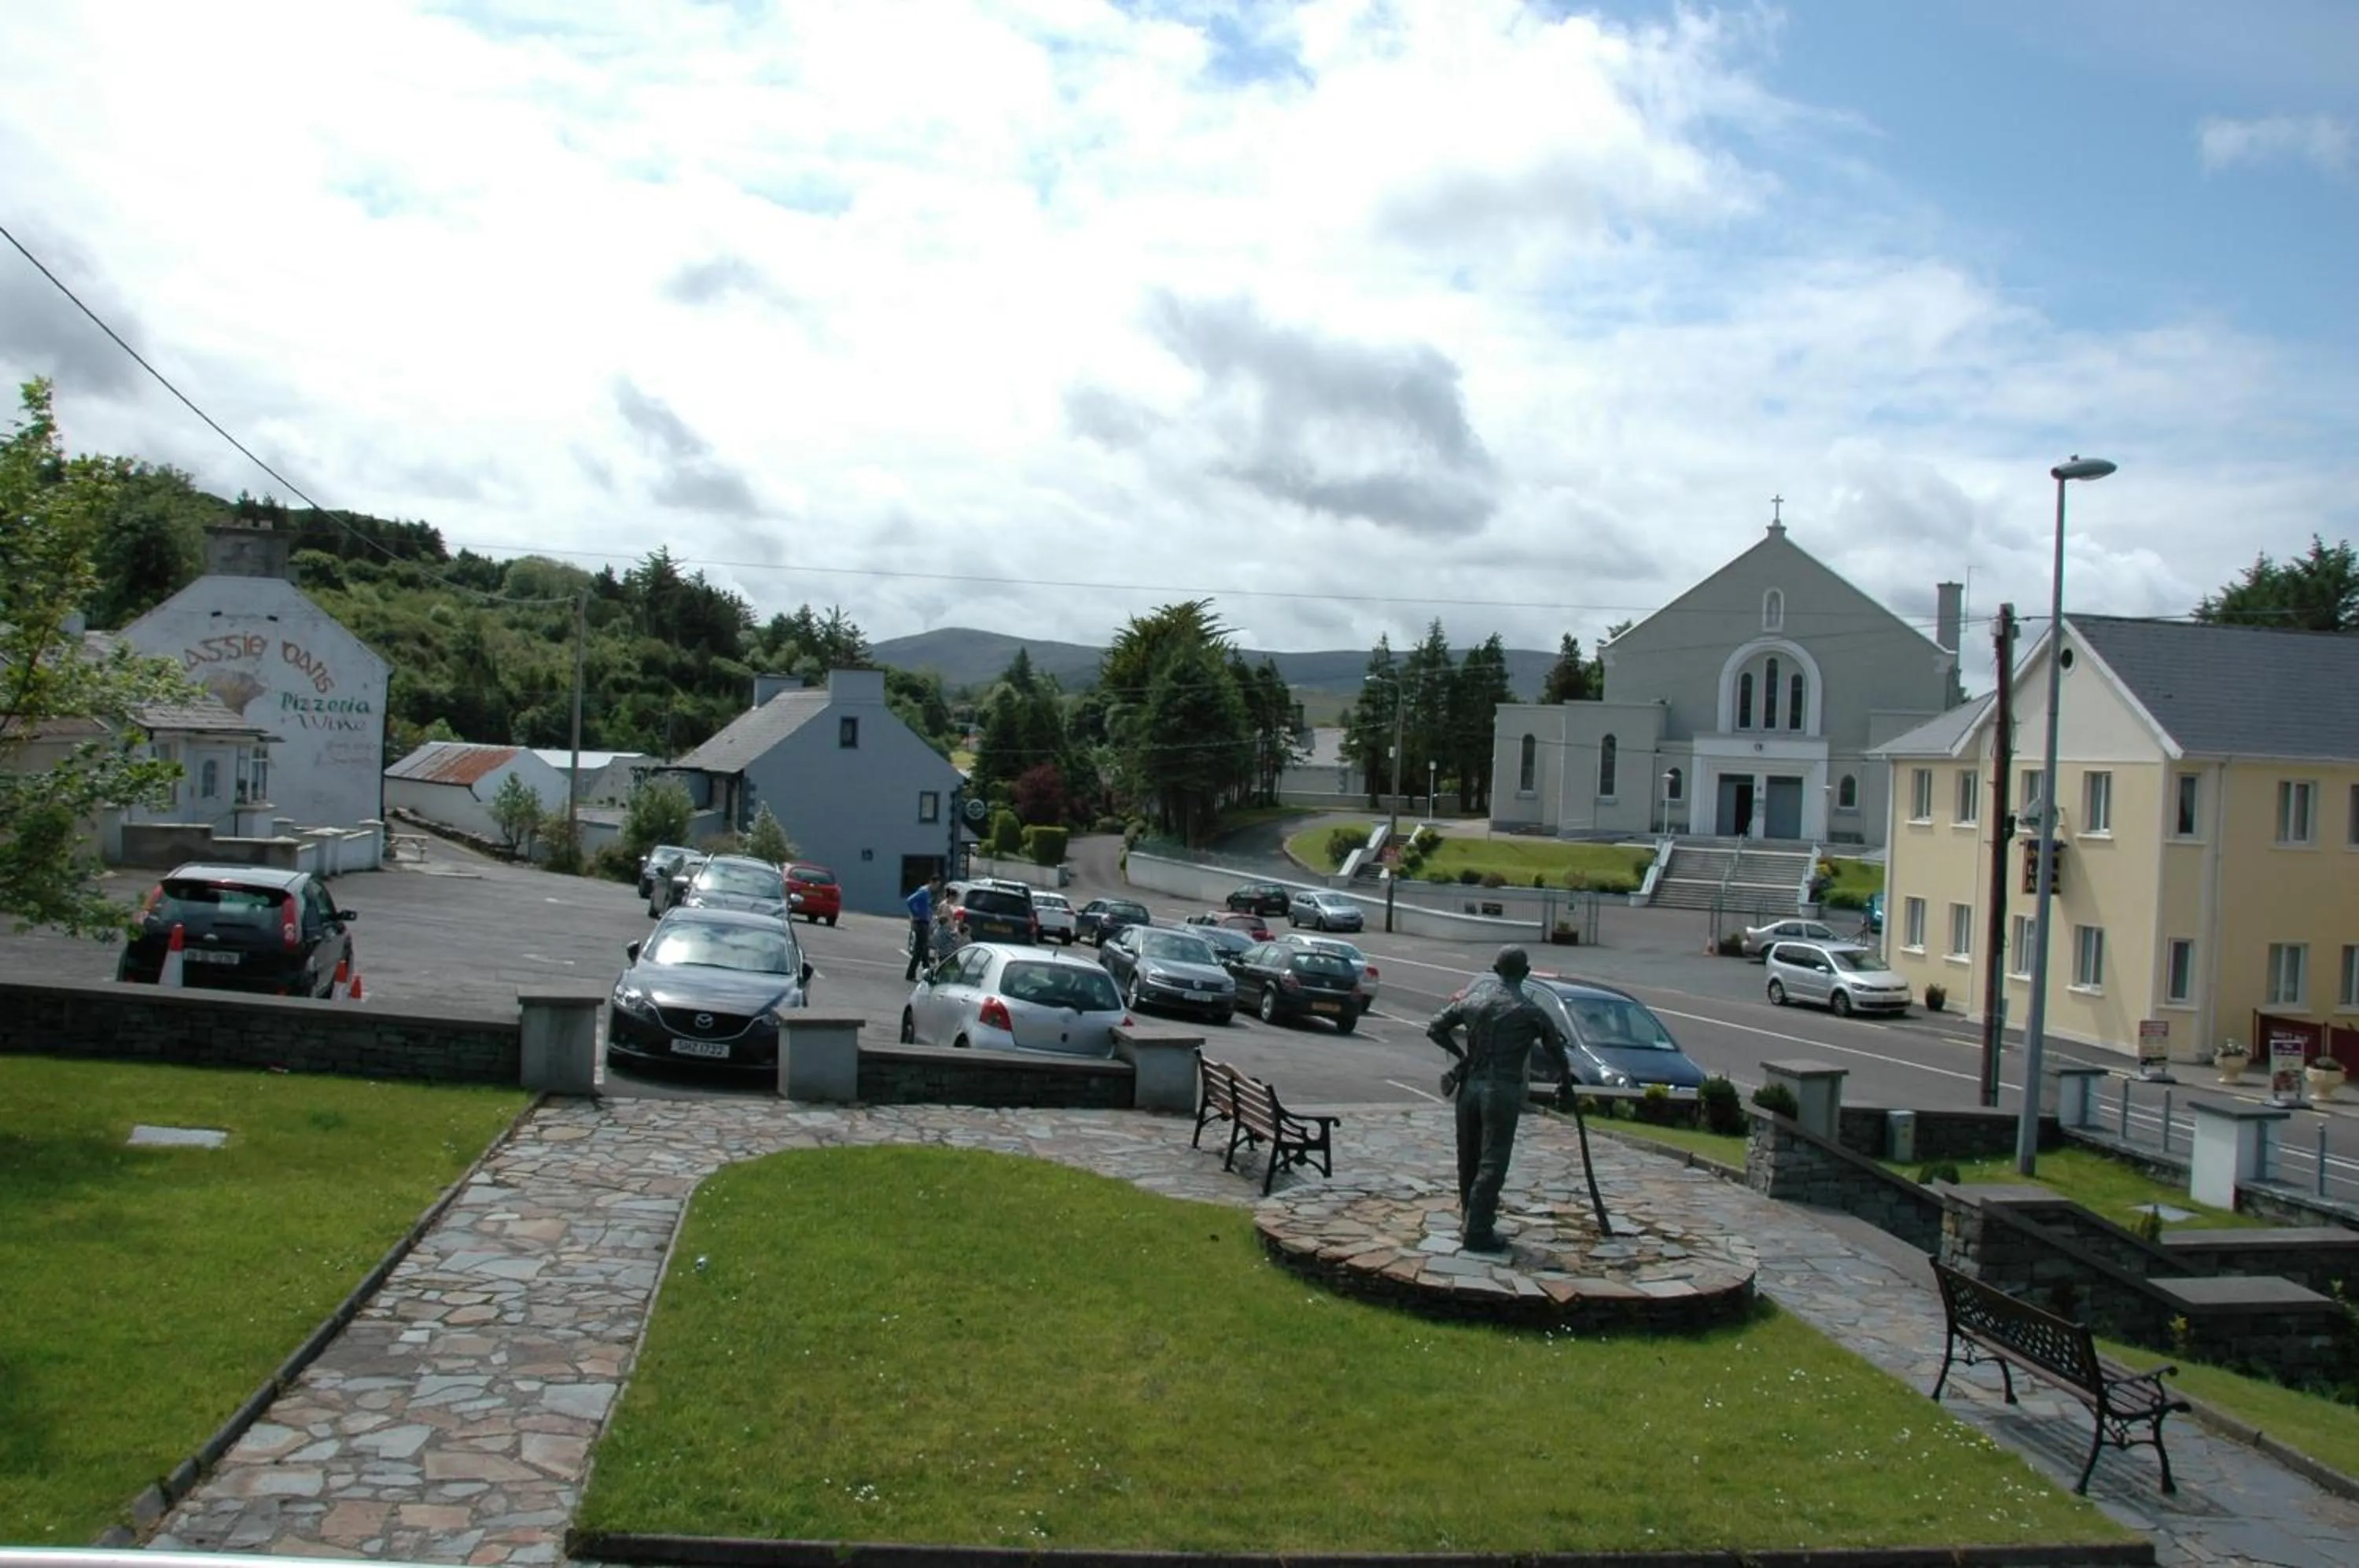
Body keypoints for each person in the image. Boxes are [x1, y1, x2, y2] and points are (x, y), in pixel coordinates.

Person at [1425, 946, 1573, 1253]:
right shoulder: (1531, 1011)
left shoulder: (1473, 1001)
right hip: (1501, 1091)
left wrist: (1461, 1055)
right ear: (1527, 973)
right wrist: (1566, 1087)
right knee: (1493, 1160)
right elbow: (1557, 1051)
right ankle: (1478, 1230)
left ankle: (1470, 1218)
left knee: (1468, 1157)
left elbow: (1435, 1028)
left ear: (1494, 969)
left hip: (1470, 1089)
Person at [903, 878, 943, 981]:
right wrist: (916, 914)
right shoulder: (924, 892)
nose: (937, 888)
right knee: (919, 950)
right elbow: (910, 901)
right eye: (936, 885)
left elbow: (926, 907)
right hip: (921, 923)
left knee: (924, 948)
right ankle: (910, 974)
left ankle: (927, 972)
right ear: (932, 883)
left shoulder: (927, 893)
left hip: (925, 922)